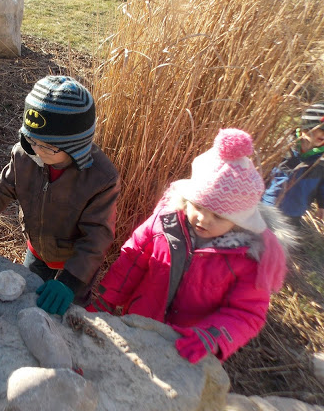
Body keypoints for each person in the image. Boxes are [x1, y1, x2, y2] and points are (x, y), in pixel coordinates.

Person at [87, 129, 292, 364]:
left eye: (218, 216)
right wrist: (105, 300)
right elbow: (130, 263)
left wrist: (213, 336)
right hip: (138, 325)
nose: (203, 219)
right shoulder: (163, 224)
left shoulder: (247, 260)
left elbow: (247, 312)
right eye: (199, 207)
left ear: (239, 220)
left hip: (185, 346)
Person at [0, 75, 120, 315]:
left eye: (47, 146)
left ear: (75, 145)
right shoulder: (24, 156)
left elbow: (96, 236)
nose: (37, 150)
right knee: (29, 297)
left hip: (75, 264)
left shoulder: (100, 178)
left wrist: (70, 281)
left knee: (67, 309)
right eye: (31, 139)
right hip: (37, 250)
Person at [262, 102, 324, 226]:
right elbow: (264, 170)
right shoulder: (284, 145)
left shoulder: (321, 160)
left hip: (294, 211)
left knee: (282, 242)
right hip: (268, 204)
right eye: (322, 129)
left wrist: (322, 205)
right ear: (306, 127)